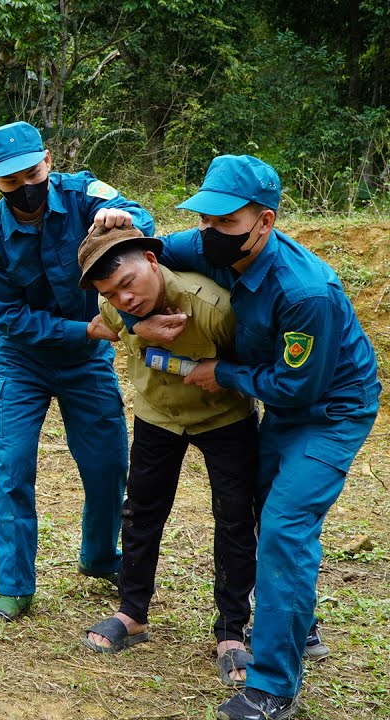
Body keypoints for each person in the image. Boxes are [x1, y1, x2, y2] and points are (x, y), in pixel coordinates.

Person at [122, 155, 380, 720]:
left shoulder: (304, 291)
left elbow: (297, 386)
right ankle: (301, 624)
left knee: (285, 529)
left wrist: (225, 375)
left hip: (330, 411)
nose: (208, 233)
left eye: (225, 222)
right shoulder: (212, 242)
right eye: (205, 220)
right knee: (264, 513)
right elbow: (141, 263)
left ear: (264, 222)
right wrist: (130, 313)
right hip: (286, 405)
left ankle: (273, 687)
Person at [0, 120, 155, 621]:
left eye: (32, 172)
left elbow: (143, 223)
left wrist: (122, 215)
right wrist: (85, 330)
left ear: (47, 161)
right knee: (12, 467)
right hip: (23, 362)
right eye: (10, 181)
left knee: (108, 463)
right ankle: (14, 586)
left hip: (87, 364)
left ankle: (99, 558)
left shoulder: (83, 196)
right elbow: (9, 316)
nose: (25, 187)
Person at [76, 226, 258, 686]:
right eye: (111, 293)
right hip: (157, 415)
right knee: (141, 512)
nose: (124, 298)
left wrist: (223, 373)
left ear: (153, 262)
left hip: (224, 419)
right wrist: (136, 328)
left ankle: (232, 633)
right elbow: (117, 327)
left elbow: (254, 363)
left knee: (236, 518)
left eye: (129, 283)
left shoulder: (215, 308)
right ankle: (132, 614)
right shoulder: (114, 307)